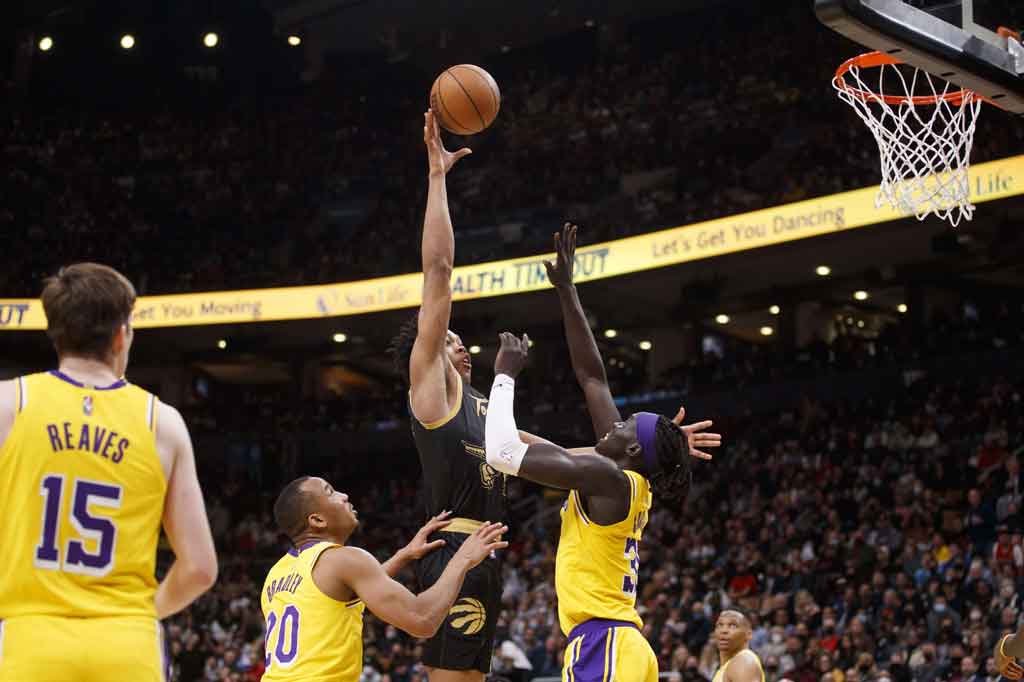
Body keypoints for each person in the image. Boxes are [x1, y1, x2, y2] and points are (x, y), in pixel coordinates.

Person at [482, 224, 720, 682]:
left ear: (632, 448)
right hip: (616, 644)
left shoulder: (610, 479)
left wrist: (505, 375)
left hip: (605, 644)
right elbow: (593, 378)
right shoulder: (621, 476)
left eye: (626, 423)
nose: (614, 422)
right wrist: (567, 290)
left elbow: (503, 452)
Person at [388, 110, 551, 681]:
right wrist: (437, 177)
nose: (460, 343)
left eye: (457, 338)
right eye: (446, 336)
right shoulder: (431, 388)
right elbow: (438, 269)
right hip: (453, 553)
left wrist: (628, 455)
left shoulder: (486, 409)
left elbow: (544, 453)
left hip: (484, 554)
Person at [0, 263, 218, 681]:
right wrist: (136, 613)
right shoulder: (163, 422)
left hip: (29, 640)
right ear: (122, 335)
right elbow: (200, 568)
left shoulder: (12, 404)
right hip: (126, 643)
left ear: (56, 332)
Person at [261, 476, 508, 681]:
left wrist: (404, 555)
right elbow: (422, 620)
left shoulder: (278, 573)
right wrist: (463, 558)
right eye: (331, 492)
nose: (344, 495)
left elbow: (349, 597)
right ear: (317, 520)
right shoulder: (345, 559)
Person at [712, 609, 767, 682]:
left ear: (749, 634)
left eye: (733, 626)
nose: (724, 630)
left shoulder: (744, 661)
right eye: (720, 625)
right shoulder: (728, 666)